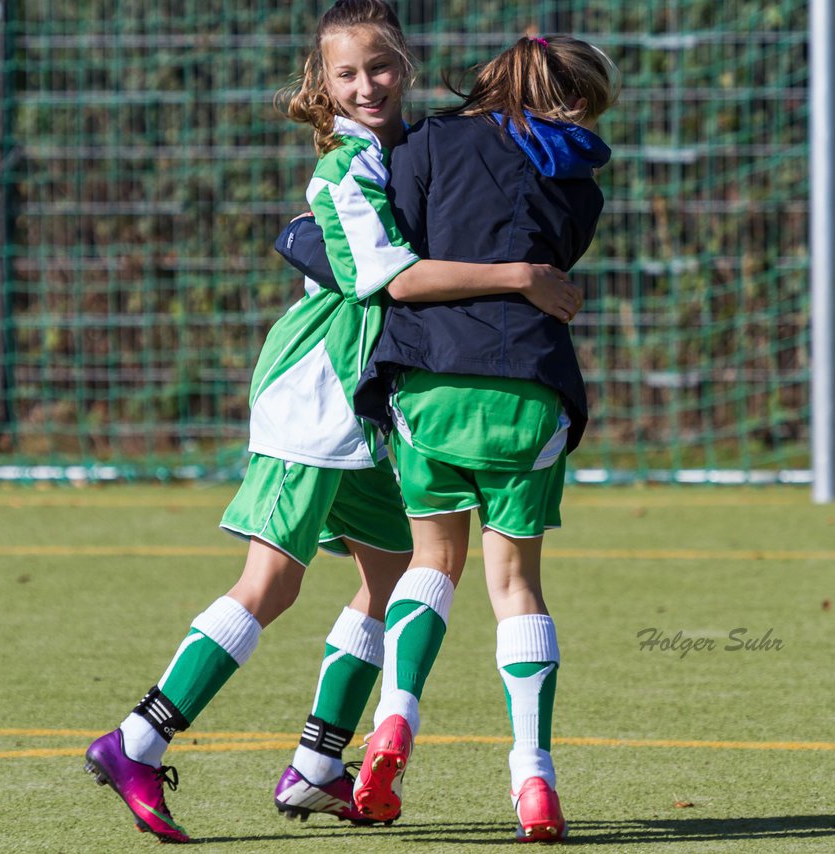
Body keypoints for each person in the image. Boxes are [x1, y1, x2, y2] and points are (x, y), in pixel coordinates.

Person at [82, 2, 584, 843]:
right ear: (323, 83)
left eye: (379, 67)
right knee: (270, 583)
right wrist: (523, 276)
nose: (365, 86)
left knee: (395, 579)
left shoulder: (415, 146)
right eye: (346, 74)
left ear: (407, 65)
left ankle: (317, 766)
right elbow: (386, 279)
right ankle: (137, 738)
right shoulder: (345, 172)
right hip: (314, 398)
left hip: (371, 405)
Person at [345, 34, 620, 842]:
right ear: (569, 101)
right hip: (528, 395)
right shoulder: (576, 176)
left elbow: (399, 249)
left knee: (431, 563)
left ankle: (392, 723)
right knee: (517, 588)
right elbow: (554, 261)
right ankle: (533, 777)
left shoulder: (426, 140)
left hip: (427, 385)